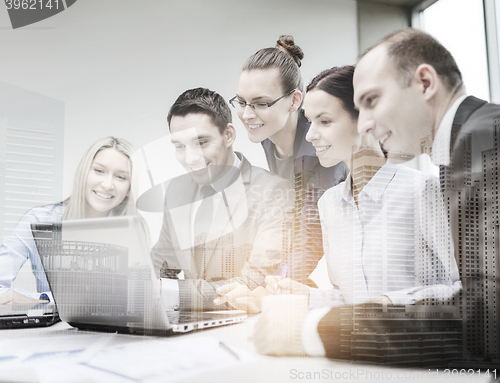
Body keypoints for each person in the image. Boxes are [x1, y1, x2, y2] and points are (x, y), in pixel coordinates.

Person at [254, 65, 460, 360]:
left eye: (324, 121)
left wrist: (389, 302)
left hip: (419, 359)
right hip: (358, 359)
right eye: (309, 122)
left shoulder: (424, 192)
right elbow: (352, 299)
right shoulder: (329, 205)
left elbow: (463, 291)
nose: (310, 135)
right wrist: (309, 296)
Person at [353, 28, 499, 362]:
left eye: (371, 100)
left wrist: (328, 329)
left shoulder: (480, 141)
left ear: (425, 83)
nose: (363, 125)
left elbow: (488, 319)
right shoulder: (474, 138)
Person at [150, 87, 293, 311]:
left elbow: (252, 284)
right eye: (180, 146)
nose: (191, 158)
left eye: (201, 142)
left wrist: (168, 291)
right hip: (185, 324)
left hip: (244, 327)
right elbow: (160, 268)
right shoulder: (176, 193)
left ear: (228, 135)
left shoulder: (274, 192)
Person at [228, 35, 348, 287]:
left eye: (260, 103)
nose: (247, 115)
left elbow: (311, 236)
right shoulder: (267, 135)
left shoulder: (319, 150)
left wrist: (270, 285)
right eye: (241, 102)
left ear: (294, 101)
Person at [0, 136, 141, 304]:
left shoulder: (132, 232)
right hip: (52, 329)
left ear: (128, 189)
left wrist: (41, 301)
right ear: (84, 174)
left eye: (121, 177)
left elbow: (130, 298)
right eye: (99, 171)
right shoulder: (39, 220)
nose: (108, 184)